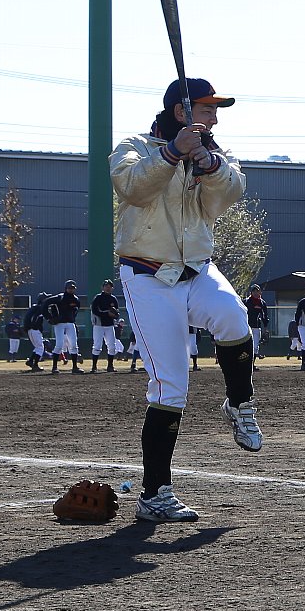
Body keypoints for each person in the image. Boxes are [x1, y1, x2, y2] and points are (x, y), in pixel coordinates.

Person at [110, 75, 263, 522]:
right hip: (147, 276)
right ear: (181, 112)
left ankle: (239, 403)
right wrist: (172, 152)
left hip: (196, 268)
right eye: (206, 108)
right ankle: (154, 494)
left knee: (234, 317)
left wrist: (209, 165)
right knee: (171, 386)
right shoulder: (133, 146)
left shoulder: (214, 152)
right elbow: (133, 188)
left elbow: (229, 195)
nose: (214, 116)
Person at [46, 280, 84, 374]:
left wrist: (72, 319)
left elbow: (76, 310)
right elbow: (45, 304)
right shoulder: (60, 297)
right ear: (66, 288)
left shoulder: (76, 299)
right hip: (60, 323)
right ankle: (54, 367)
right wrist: (49, 318)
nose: (71, 289)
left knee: (74, 345)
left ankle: (75, 367)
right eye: (69, 288)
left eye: (73, 288)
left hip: (70, 323)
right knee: (59, 345)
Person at [90, 280, 120, 372]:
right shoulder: (98, 298)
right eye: (106, 286)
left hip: (109, 325)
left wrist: (115, 315)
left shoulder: (113, 299)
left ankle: (110, 366)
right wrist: (107, 314)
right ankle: (94, 367)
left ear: (112, 288)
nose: (108, 288)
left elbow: (117, 312)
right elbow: (94, 310)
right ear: (102, 287)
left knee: (112, 346)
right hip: (99, 324)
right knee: (97, 345)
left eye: (110, 286)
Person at [23, 293, 49, 371]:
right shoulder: (39, 308)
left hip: (31, 330)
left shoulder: (34, 308)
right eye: (46, 299)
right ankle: (35, 365)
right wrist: (34, 326)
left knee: (38, 347)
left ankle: (31, 361)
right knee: (40, 348)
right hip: (35, 329)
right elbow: (34, 318)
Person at [245, 284, 269, 361]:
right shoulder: (246, 302)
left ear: (260, 292)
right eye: (254, 291)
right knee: (247, 346)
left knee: (255, 347)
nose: (255, 293)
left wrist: (265, 328)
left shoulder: (262, 303)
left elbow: (264, 317)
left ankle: (252, 364)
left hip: (256, 327)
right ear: (251, 292)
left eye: (257, 291)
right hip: (247, 327)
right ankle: (246, 364)